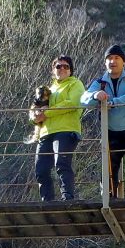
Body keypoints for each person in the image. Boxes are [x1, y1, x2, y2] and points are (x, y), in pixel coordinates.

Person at [81, 44, 125, 198]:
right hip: (111, 132)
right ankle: (108, 200)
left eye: (117, 58)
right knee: (108, 169)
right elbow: (83, 99)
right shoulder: (100, 83)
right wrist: (95, 96)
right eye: (109, 58)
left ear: (124, 62)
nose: (113, 61)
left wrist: (112, 102)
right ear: (105, 62)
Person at [32, 55, 86, 201]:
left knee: (61, 164)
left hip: (66, 130)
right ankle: (46, 201)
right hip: (45, 133)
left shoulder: (75, 84)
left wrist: (46, 113)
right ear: (53, 70)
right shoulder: (47, 89)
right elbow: (35, 108)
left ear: (70, 70)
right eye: (58, 66)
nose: (62, 68)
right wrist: (34, 116)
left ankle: (67, 198)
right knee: (41, 170)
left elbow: (73, 102)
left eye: (66, 66)